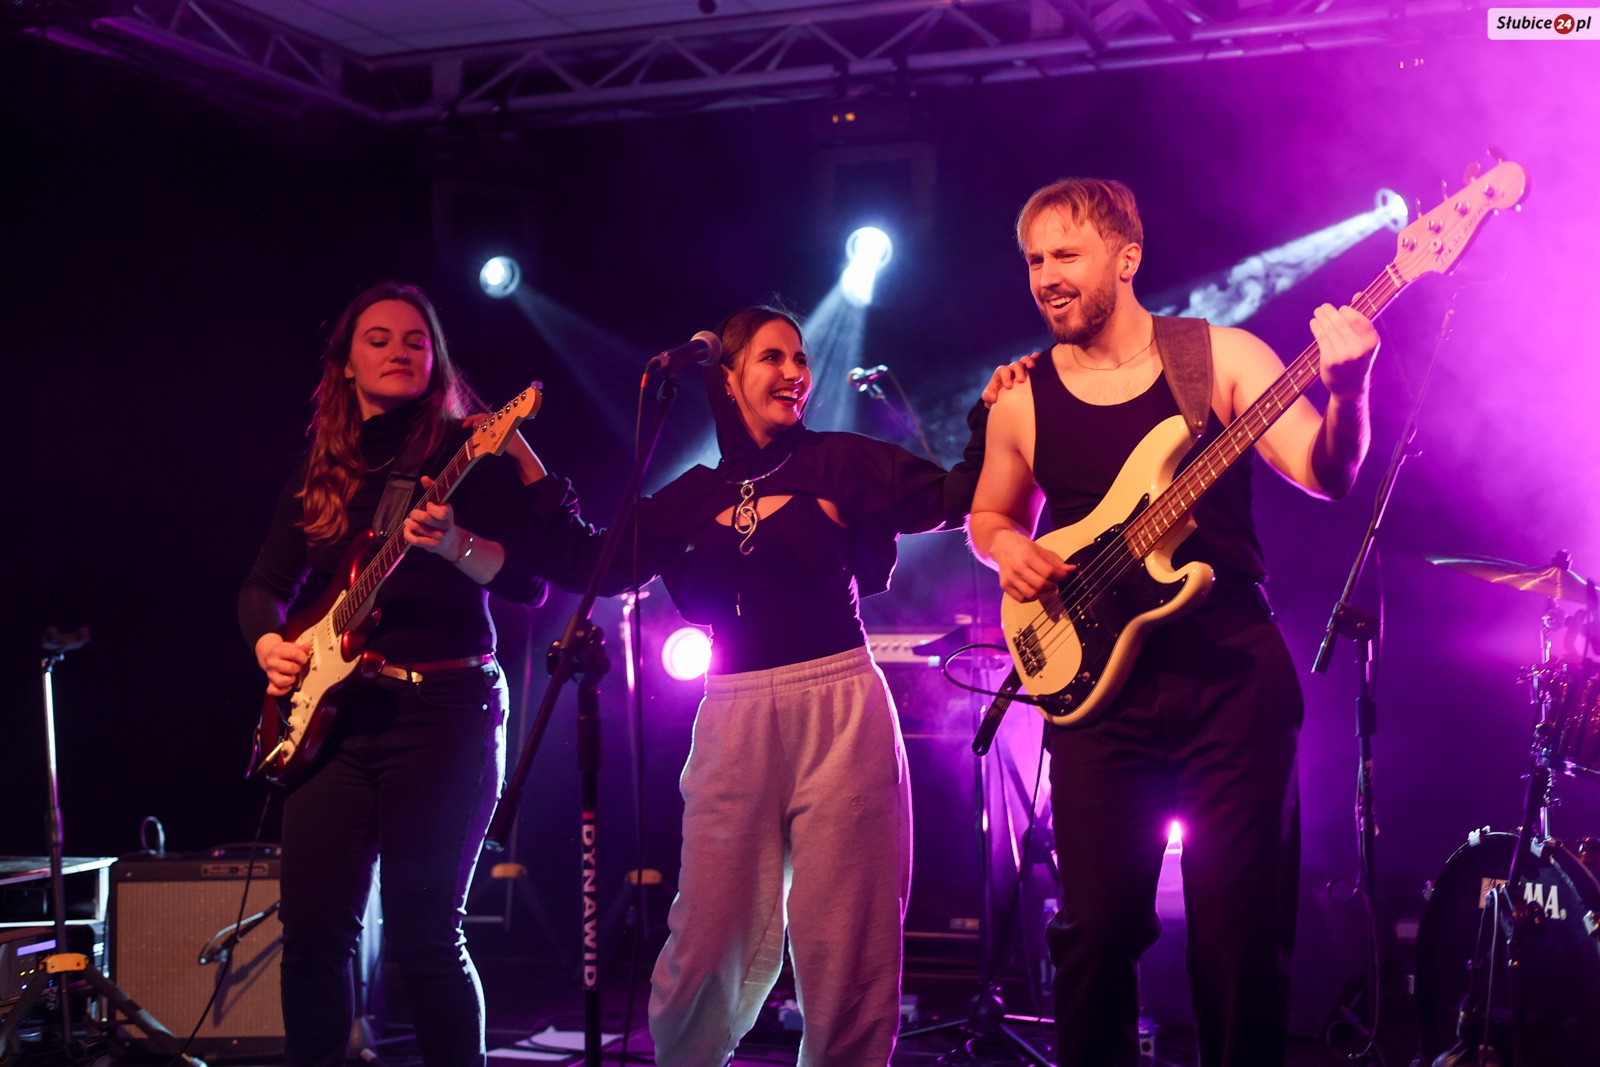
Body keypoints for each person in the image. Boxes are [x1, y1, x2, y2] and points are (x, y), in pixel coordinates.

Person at [508, 305, 1019, 1067]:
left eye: (800, 358)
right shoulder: (692, 494)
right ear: (727, 379)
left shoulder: (839, 460)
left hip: (839, 702)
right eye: (773, 357)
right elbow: (593, 565)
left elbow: (952, 498)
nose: (794, 373)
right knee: (707, 934)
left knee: (846, 938)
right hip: (734, 714)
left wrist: (991, 415)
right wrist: (523, 458)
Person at [966, 178, 1379, 1067]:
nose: (1045, 276)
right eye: (1034, 260)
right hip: (1096, 692)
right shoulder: (1023, 396)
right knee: (1093, 932)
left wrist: (1350, 393)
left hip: (1228, 674)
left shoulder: (1221, 356)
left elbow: (1328, 473)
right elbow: (989, 513)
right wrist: (1007, 549)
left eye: (1066, 255)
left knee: (1239, 938)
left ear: (1127, 257)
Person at [238, 282, 550, 1067]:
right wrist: (270, 644)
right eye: (378, 339)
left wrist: (453, 544)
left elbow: (529, 583)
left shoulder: (464, 450)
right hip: (335, 722)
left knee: (425, 936)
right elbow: (262, 586)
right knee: (313, 937)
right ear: (345, 363)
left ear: (436, 358)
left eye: (417, 340)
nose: (400, 351)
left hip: (446, 711)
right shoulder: (322, 470)